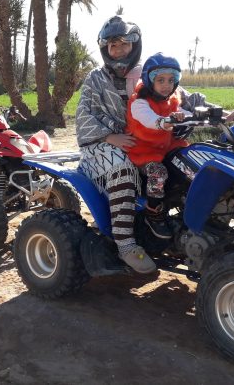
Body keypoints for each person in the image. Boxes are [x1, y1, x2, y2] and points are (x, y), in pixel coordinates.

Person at [75, 15, 157, 274]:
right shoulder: (95, 78)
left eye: (123, 44)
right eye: (112, 46)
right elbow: (84, 114)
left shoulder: (148, 75)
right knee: (120, 166)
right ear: (105, 49)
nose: (118, 50)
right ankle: (125, 243)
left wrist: (207, 111)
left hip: (142, 141)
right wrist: (110, 137)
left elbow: (176, 95)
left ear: (135, 45)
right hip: (101, 144)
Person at [125, 53, 189, 239]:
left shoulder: (171, 101)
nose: (166, 85)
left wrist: (225, 117)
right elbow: (150, 120)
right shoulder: (139, 102)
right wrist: (164, 122)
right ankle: (153, 213)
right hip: (143, 153)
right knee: (158, 172)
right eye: (160, 80)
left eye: (171, 80)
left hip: (164, 150)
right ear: (149, 80)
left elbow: (190, 115)